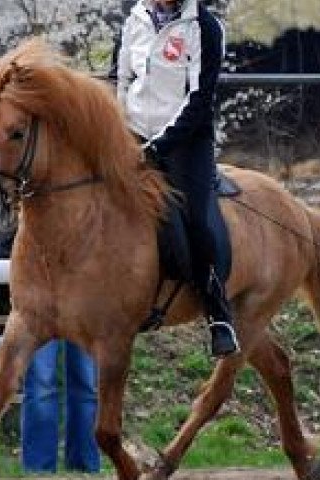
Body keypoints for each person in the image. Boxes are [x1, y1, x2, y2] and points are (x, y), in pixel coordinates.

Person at [116, 0, 240, 356]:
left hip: (187, 140)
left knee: (197, 219)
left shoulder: (205, 27)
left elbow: (200, 99)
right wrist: (122, 132)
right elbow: (121, 78)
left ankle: (218, 312)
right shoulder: (135, 19)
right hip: (134, 134)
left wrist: (160, 146)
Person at [0, 225, 100, 473]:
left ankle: (85, 467)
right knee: (41, 384)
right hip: (39, 296)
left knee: (86, 384)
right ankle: (39, 470)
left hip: (85, 292)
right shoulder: (27, 191)